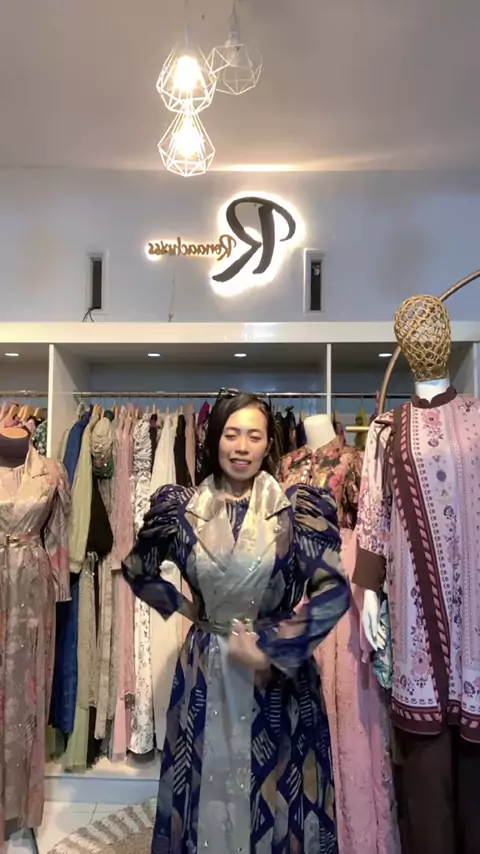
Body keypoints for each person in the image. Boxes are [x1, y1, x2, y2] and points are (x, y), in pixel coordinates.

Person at [123, 390, 349, 854]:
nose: (241, 447)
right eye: (231, 434)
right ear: (215, 439)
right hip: (205, 673)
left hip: (277, 679)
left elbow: (334, 592)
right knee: (207, 793)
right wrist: (184, 607)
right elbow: (137, 569)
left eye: (254, 436)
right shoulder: (180, 510)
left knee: (274, 795)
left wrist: (278, 649)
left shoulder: (295, 512)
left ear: (269, 444)